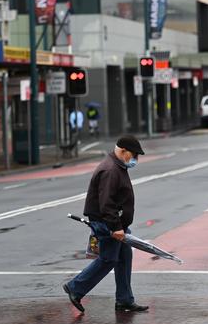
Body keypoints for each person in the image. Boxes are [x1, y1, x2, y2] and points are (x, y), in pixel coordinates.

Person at [63, 135, 148, 314]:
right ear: (123, 151)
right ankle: (75, 288)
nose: (135, 160)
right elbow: (106, 204)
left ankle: (124, 300)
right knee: (108, 259)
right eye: (134, 155)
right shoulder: (110, 170)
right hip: (107, 224)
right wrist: (116, 227)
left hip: (115, 224)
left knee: (124, 257)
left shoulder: (117, 166)